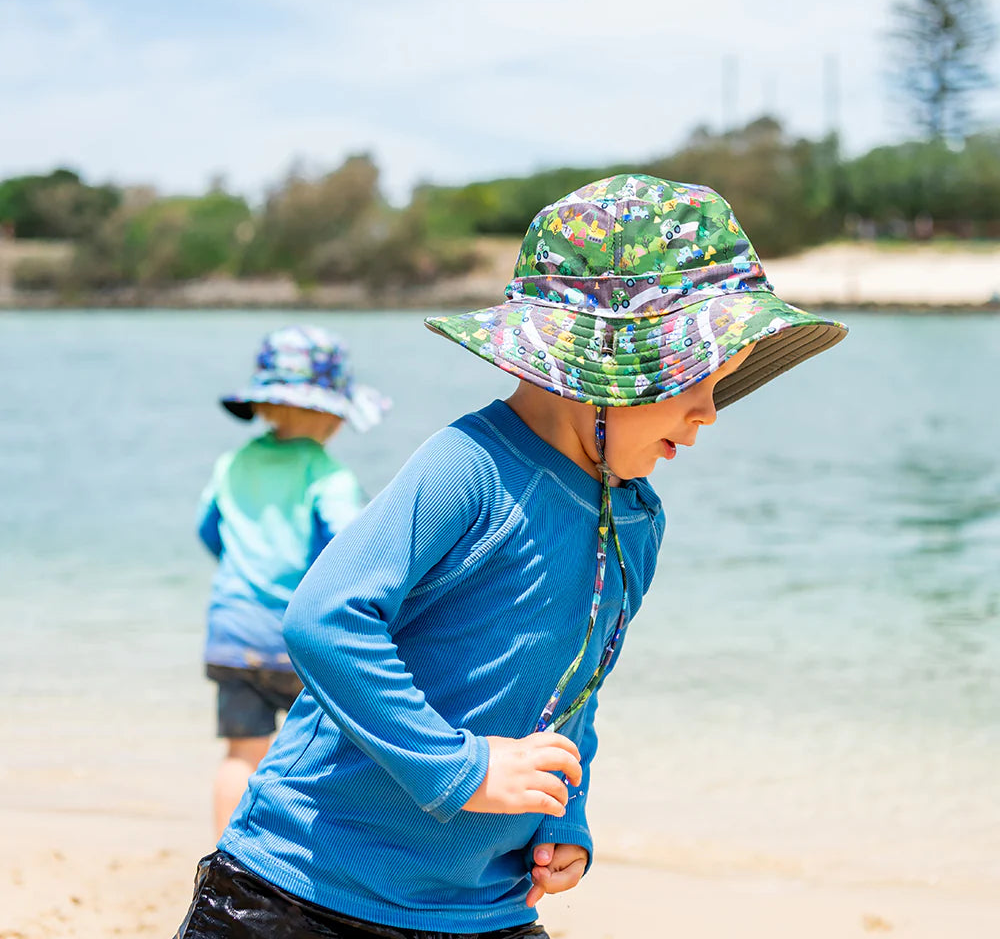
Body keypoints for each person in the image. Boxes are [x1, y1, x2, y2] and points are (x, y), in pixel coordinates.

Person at [175, 175, 847, 938]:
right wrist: (461, 769)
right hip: (305, 884)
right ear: (599, 366)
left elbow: (575, 695)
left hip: (479, 907)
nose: (709, 414)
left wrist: (567, 814)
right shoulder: (469, 466)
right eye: (697, 381)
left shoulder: (635, 523)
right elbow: (325, 620)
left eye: (722, 385)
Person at [198, 324, 389, 837]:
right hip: (296, 635)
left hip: (231, 631)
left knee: (241, 754)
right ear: (331, 414)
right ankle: (304, 852)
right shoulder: (327, 474)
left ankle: (224, 854)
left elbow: (209, 531)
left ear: (262, 404)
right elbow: (353, 549)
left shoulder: (233, 462)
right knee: (325, 753)